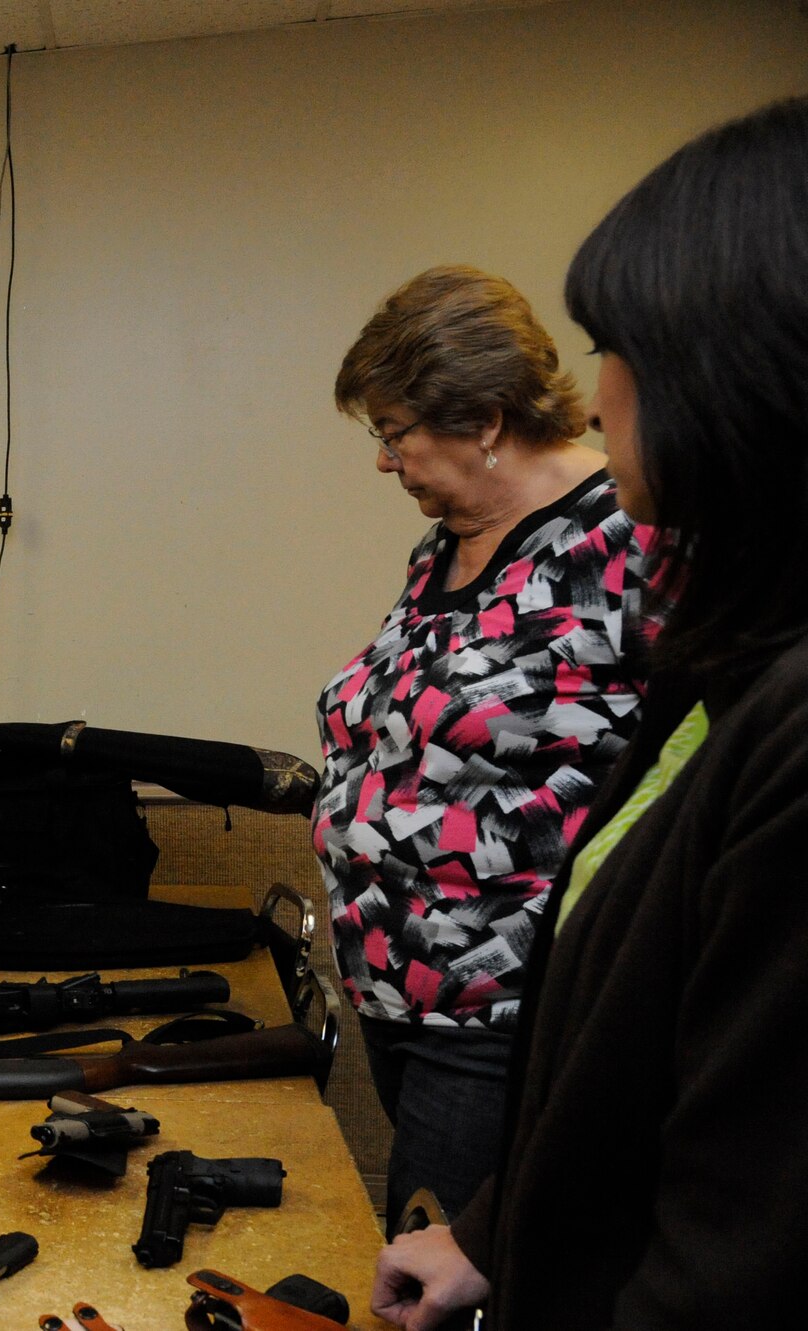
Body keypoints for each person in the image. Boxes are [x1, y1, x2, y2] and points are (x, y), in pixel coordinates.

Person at [371, 95, 808, 1331]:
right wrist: (492, 1229)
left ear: (735, 379)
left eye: (619, 347)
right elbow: (636, 1076)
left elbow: (731, 1252)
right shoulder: (728, 663)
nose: (595, 391)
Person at [313, 265, 657, 1225]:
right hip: (398, 993)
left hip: (506, 1009)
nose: (385, 462)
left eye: (395, 433)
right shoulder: (447, 544)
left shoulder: (628, 538)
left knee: (449, 1276)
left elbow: (695, 762)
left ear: (486, 419)